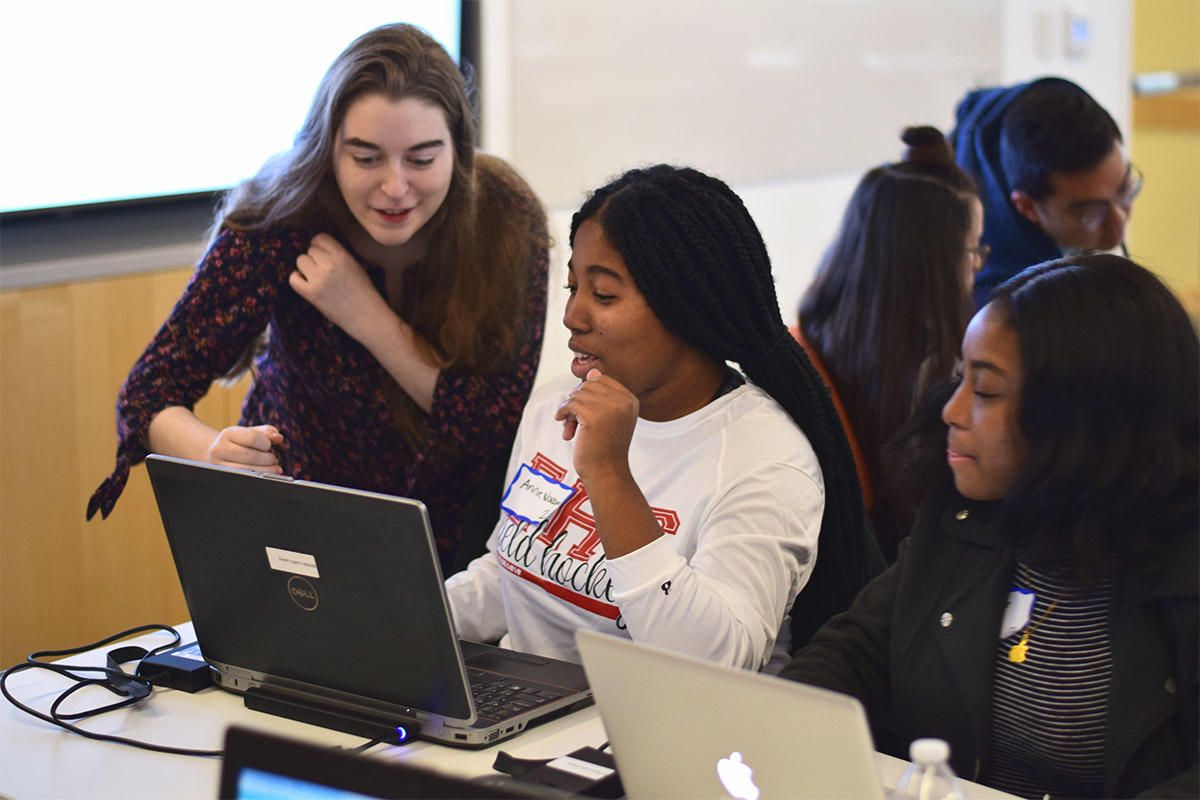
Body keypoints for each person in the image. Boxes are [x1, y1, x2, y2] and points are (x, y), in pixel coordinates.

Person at [87, 24, 549, 572]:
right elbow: (146, 395)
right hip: (301, 538)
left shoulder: (504, 217)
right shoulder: (280, 219)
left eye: (423, 160)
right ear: (328, 147)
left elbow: (490, 425)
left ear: (460, 149)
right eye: (366, 158)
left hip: (461, 545)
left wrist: (369, 318)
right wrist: (215, 453)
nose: (395, 187)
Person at [780, 254, 1198, 799]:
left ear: (1085, 420)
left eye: (987, 392)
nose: (950, 411)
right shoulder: (965, 519)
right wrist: (776, 728)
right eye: (960, 379)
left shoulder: (1185, 564)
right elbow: (855, 651)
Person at [446, 165, 884, 670]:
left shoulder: (766, 458)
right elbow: (509, 576)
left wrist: (610, 474)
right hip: (525, 717)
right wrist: (408, 620)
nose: (573, 316)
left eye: (604, 295)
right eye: (573, 288)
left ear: (687, 309)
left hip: (663, 736)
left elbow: (714, 663)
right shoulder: (555, 405)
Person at [797, 125, 983, 560]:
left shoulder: (814, 334)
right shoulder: (937, 370)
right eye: (972, 251)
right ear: (934, 265)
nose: (977, 269)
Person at [953, 77, 1140, 307]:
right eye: (1090, 213)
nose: (1118, 230)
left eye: (1124, 190)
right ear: (1028, 207)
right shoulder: (991, 309)